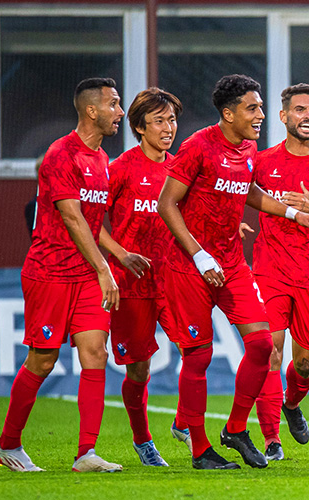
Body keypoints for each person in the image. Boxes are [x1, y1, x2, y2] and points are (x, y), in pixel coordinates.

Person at [157, 74, 309, 470]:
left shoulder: (249, 148)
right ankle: (200, 449)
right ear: (228, 112)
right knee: (198, 357)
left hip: (232, 264)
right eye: (253, 108)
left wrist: (293, 212)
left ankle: (234, 429)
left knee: (262, 345)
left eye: (261, 108)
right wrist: (199, 255)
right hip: (190, 266)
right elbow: (168, 204)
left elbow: (247, 192)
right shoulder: (197, 146)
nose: (261, 116)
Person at [0, 77, 126, 472]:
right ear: (91, 110)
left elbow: (91, 218)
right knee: (42, 359)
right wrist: (106, 268)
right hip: (50, 273)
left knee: (96, 354)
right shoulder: (60, 156)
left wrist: (112, 254)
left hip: (85, 275)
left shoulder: (102, 160)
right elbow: (71, 216)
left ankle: (86, 453)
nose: (119, 113)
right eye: (114, 105)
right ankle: (8, 445)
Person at [246, 83, 309, 461]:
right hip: (270, 271)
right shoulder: (262, 161)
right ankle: (272, 440)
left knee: (304, 363)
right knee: (269, 353)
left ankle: (291, 404)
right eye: (301, 110)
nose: (308, 117)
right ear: (283, 116)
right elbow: (233, 193)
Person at [97, 87, 186, 466]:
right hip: (130, 281)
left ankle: (185, 421)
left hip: (174, 276)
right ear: (138, 126)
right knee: (139, 367)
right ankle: (143, 439)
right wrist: (119, 254)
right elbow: (89, 222)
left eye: (172, 120)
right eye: (159, 121)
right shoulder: (119, 169)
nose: (169, 128)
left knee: (196, 349)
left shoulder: (181, 168)